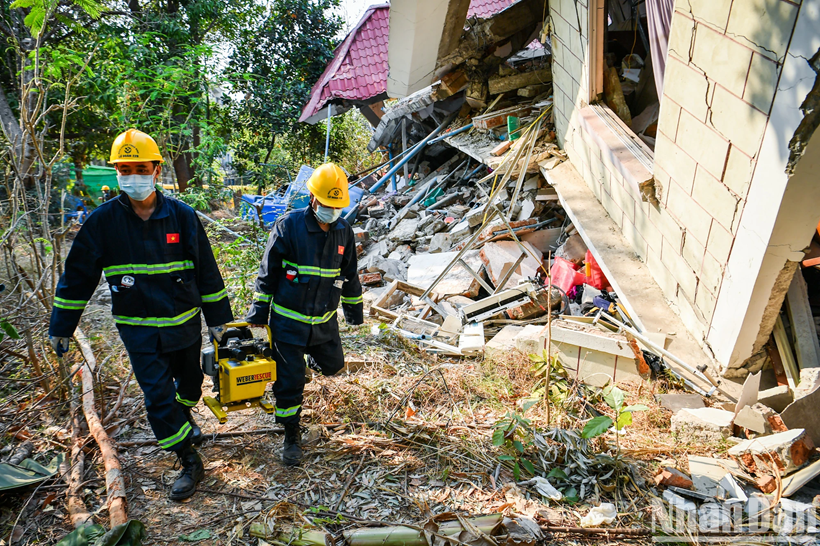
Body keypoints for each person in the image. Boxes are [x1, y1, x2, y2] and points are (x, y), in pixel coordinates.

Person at [48, 129, 232, 501]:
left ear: (156, 169)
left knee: (190, 387)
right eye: (124, 168)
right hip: (139, 332)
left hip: (184, 328)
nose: (132, 175)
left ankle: (184, 419)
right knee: (158, 397)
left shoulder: (182, 217)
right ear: (117, 172)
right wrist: (62, 326)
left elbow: (207, 271)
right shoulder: (102, 223)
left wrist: (218, 321)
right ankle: (188, 459)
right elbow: (78, 277)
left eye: (139, 167)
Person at [246, 163, 363, 466]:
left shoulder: (344, 232)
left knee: (334, 365)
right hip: (288, 323)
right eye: (327, 204)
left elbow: (350, 275)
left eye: (337, 206)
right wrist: (259, 311)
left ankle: (310, 358)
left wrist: (354, 314)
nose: (332, 210)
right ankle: (291, 434)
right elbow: (268, 272)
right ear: (313, 198)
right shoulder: (290, 226)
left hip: (324, 322)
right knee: (290, 381)